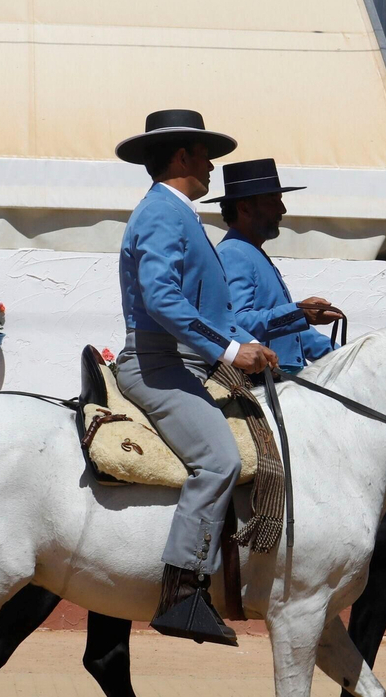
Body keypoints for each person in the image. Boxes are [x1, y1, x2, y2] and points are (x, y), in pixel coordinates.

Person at [113, 110, 278, 647]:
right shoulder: (163, 212)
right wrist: (230, 349)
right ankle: (182, 592)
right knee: (219, 459)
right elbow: (162, 298)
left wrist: (250, 344)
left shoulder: (178, 214)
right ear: (182, 156)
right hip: (157, 364)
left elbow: (210, 310)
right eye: (206, 156)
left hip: (180, 362)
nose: (211, 167)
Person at [209, 158, 343, 373]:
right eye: (273, 201)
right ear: (244, 208)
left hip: (282, 379)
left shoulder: (252, 252)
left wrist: (344, 355)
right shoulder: (234, 253)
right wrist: (300, 313)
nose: (283, 209)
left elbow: (290, 333)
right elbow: (236, 323)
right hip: (264, 382)